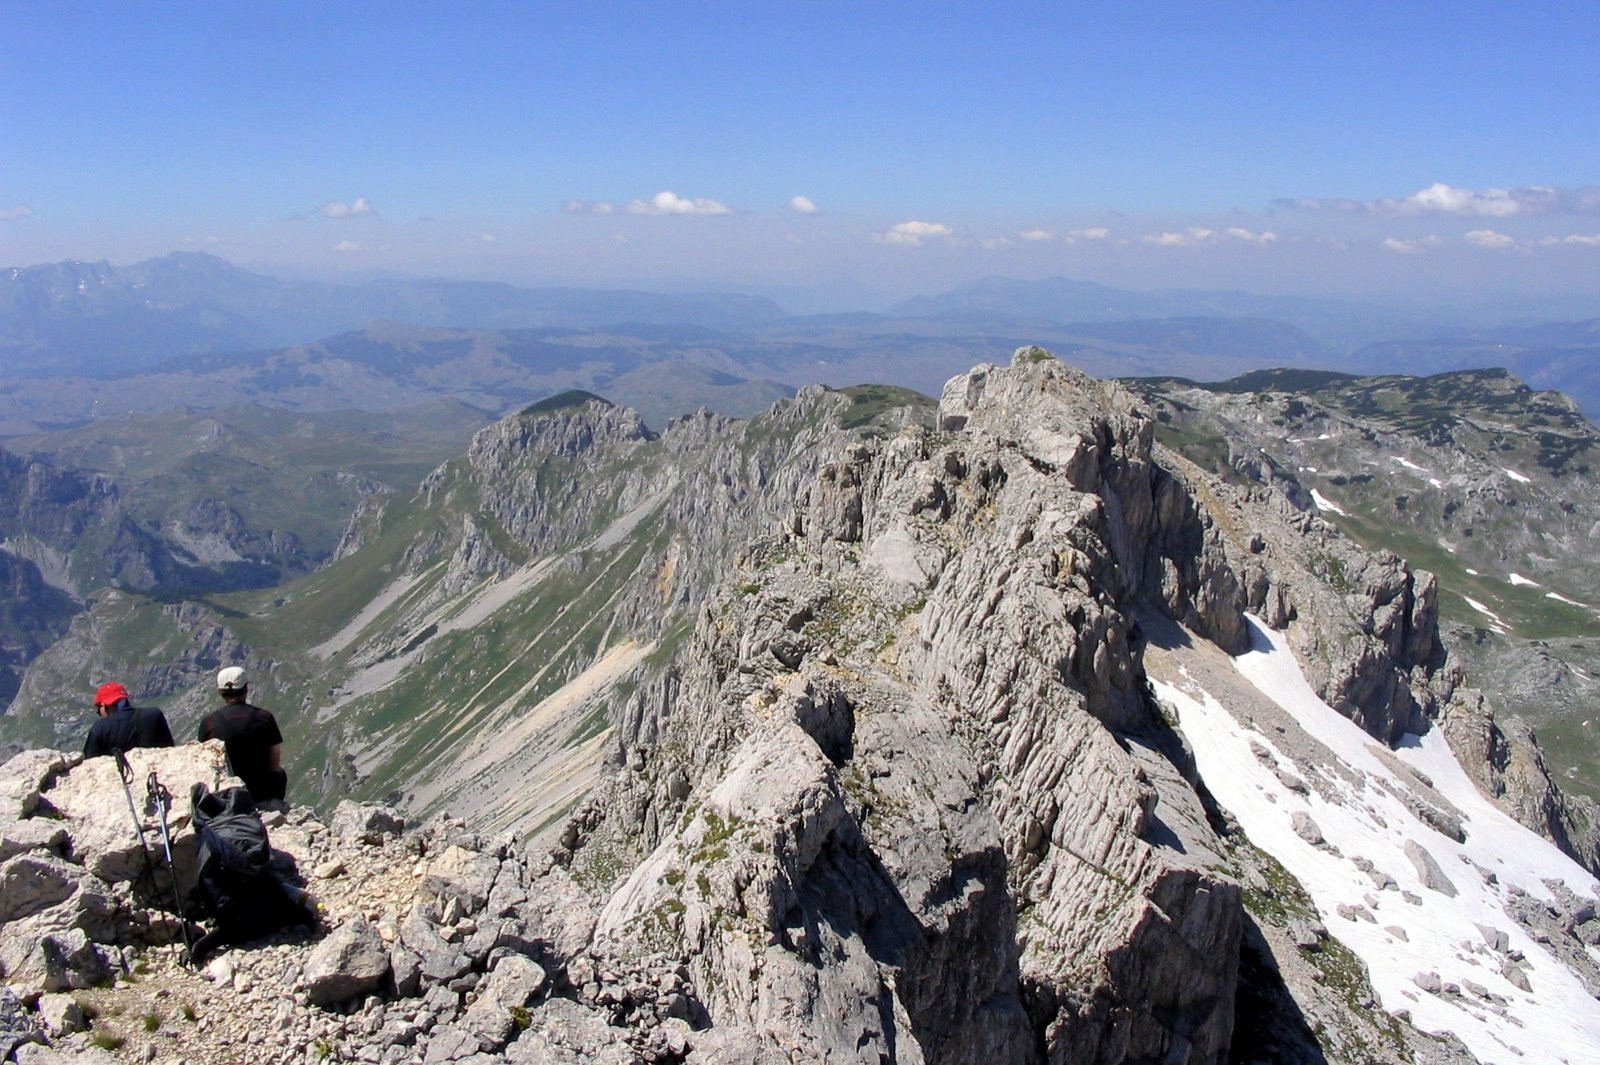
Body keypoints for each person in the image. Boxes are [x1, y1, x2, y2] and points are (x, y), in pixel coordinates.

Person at [197, 667, 287, 803]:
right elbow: (274, 760)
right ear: (246, 689)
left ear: (220, 692)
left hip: (226, 794)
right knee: (280, 774)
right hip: (261, 792)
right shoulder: (264, 717)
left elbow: (205, 759)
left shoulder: (209, 722)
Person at [83, 682, 175, 758]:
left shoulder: (100, 728)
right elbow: (169, 749)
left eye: (99, 710)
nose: (99, 713)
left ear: (103, 706)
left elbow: (90, 762)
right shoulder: (154, 715)